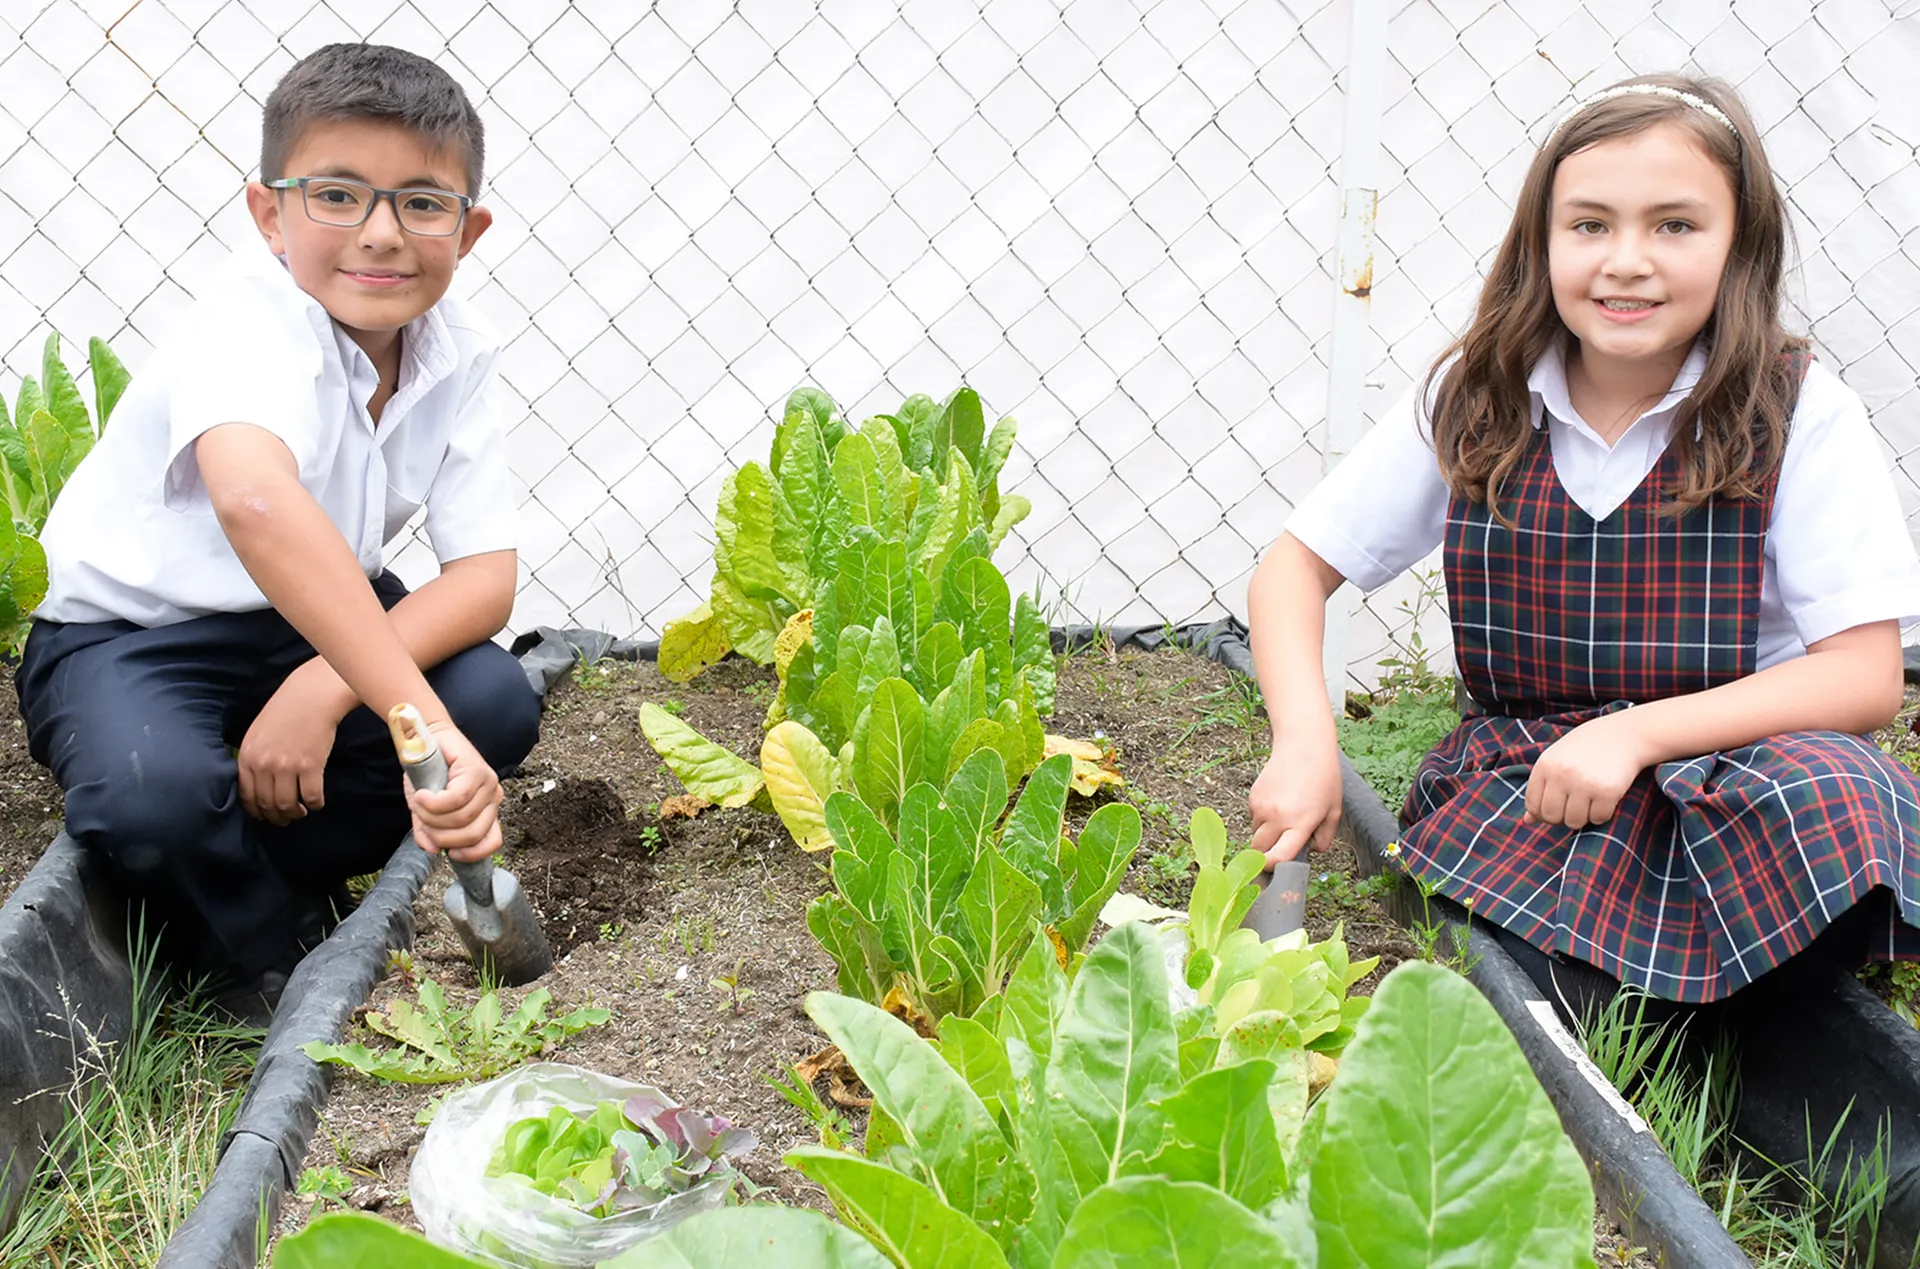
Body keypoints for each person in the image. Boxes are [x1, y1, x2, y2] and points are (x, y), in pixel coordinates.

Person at [1247, 73, 1920, 1006]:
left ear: (1740, 244)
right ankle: (1686, 993)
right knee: (1553, 941)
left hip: (1743, 767)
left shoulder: (1798, 411)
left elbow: (1864, 675)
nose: (1627, 261)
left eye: (1675, 225)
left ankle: (1737, 993)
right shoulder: (1477, 395)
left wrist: (1635, 733)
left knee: (1843, 795)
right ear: (1542, 242)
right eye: (1591, 224)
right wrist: (1304, 739)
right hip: (1538, 775)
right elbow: (1292, 569)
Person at [15, 43, 541, 1021]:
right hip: (132, 638)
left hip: (309, 628)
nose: (380, 234)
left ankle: (209, 870)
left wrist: (326, 686)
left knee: (493, 702)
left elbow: (486, 578)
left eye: (422, 204)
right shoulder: (249, 318)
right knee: (151, 793)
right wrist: (412, 720)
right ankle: (262, 954)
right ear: (269, 214)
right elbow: (255, 500)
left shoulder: (458, 347)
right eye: (336, 195)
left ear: (468, 231)